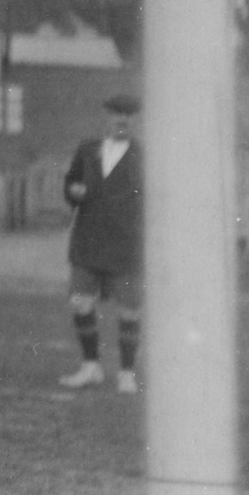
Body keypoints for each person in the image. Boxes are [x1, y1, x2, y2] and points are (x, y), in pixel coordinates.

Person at [60, 93, 143, 393]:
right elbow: (70, 184)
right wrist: (75, 191)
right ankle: (91, 366)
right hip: (88, 240)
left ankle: (126, 373)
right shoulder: (87, 149)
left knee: (129, 311)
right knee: (81, 302)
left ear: (135, 120)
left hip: (127, 246)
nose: (122, 120)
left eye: (128, 115)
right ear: (107, 117)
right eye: (116, 114)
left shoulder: (144, 156)